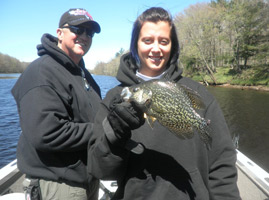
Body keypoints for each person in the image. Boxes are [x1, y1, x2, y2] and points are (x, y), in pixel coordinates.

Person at [87, 7, 241, 200]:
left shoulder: (200, 94)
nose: (156, 48)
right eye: (147, 40)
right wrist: (115, 135)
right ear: (135, 44)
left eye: (164, 41)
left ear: (172, 46)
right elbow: (99, 169)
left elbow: (222, 164)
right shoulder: (114, 98)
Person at [12, 8, 101, 200]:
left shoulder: (82, 74)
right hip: (60, 185)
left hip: (87, 179)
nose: (84, 36)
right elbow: (47, 133)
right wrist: (103, 130)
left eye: (90, 32)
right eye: (78, 29)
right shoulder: (42, 72)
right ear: (59, 33)